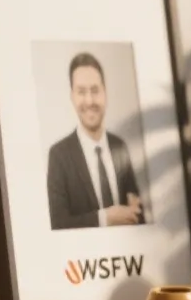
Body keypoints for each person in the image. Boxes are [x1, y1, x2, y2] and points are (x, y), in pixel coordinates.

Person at [46, 51, 144, 230]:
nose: (89, 100)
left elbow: (138, 215)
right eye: (81, 92)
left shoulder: (119, 146)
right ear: (72, 96)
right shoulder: (58, 155)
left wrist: (137, 212)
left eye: (95, 90)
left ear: (105, 93)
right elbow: (58, 223)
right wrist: (104, 218)